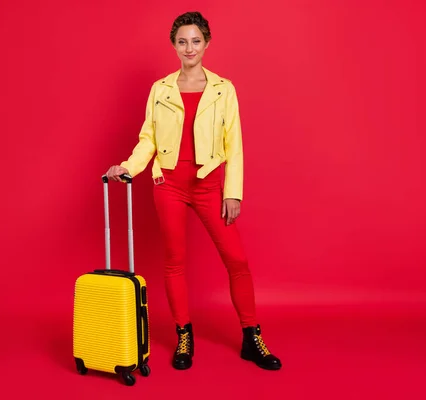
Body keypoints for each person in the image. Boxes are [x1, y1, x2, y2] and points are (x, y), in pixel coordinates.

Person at [105, 11, 281, 371]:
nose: (189, 48)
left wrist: (233, 193)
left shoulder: (223, 88)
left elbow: (236, 145)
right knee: (174, 262)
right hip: (167, 183)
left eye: (195, 41)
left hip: (209, 184)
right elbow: (148, 139)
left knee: (237, 261)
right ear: (174, 45)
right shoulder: (161, 89)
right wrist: (129, 168)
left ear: (207, 43)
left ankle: (251, 336)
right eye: (182, 41)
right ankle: (184, 335)